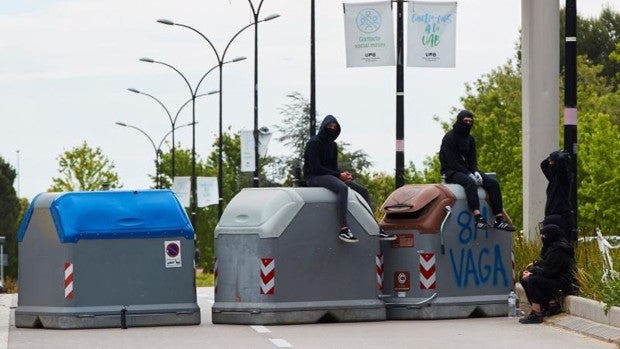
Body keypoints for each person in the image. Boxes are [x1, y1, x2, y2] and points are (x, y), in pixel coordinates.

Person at [303, 115, 396, 243]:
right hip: (314, 177)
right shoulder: (314, 143)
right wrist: (338, 176)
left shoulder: (333, 145)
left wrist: (342, 174)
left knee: (363, 191)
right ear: (324, 127)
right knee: (342, 188)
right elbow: (316, 168)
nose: (332, 129)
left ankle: (375, 227)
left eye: (335, 127)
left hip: (328, 176)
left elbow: (333, 168)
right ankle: (344, 229)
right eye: (329, 127)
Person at [439, 109, 516, 231]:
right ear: (459, 121)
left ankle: (499, 219)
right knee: (470, 183)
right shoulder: (449, 138)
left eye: (470, 121)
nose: (468, 123)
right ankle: (478, 218)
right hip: (451, 171)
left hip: (468, 170)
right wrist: (469, 174)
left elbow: (472, 160)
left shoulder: (470, 139)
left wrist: (475, 171)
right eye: (465, 121)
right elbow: (452, 162)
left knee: (493, 183)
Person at [519, 223, 576, 324]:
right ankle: (549, 305)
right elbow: (548, 263)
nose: (542, 238)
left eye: (544, 236)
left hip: (562, 283)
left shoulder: (559, 250)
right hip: (555, 278)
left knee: (532, 280)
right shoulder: (554, 247)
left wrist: (532, 274)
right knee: (525, 277)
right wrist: (535, 264)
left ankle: (536, 313)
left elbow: (550, 271)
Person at [540, 150, 576, 243]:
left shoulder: (563, 179)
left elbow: (561, 160)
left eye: (552, 163)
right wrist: (552, 156)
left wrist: (558, 155)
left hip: (561, 216)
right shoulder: (553, 179)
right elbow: (543, 164)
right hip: (551, 217)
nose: (550, 164)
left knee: (561, 245)